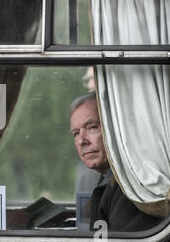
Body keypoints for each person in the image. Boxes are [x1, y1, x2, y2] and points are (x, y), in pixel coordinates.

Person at [69, 92, 162, 232]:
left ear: (117, 127)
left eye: (92, 127)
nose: (82, 140)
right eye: (76, 133)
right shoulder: (111, 178)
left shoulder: (133, 185)